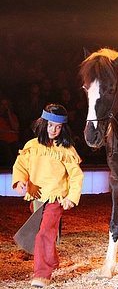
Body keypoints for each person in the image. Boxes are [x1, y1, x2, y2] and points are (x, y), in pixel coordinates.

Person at [12, 104, 84, 287]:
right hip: (36, 198)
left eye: (58, 127)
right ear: (43, 124)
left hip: (56, 199)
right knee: (43, 231)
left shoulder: (66, 150)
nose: (54, 130)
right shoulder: (32, 146)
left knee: (44, 233)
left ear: (63, 128)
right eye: (51, 125)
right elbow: (20, 166)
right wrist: (20, 180)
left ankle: (42, 274)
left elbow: (76, 176)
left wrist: (71, 197)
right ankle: (51, 261)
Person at [0, 97, 23, 167]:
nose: (4, 107)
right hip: (2, 140)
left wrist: (9, 114)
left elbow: (15, 128)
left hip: (13, 140)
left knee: (19, 148)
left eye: (6, 104)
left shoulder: (13, 116)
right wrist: (10, 131)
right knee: (6, 149)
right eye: (2, 105)